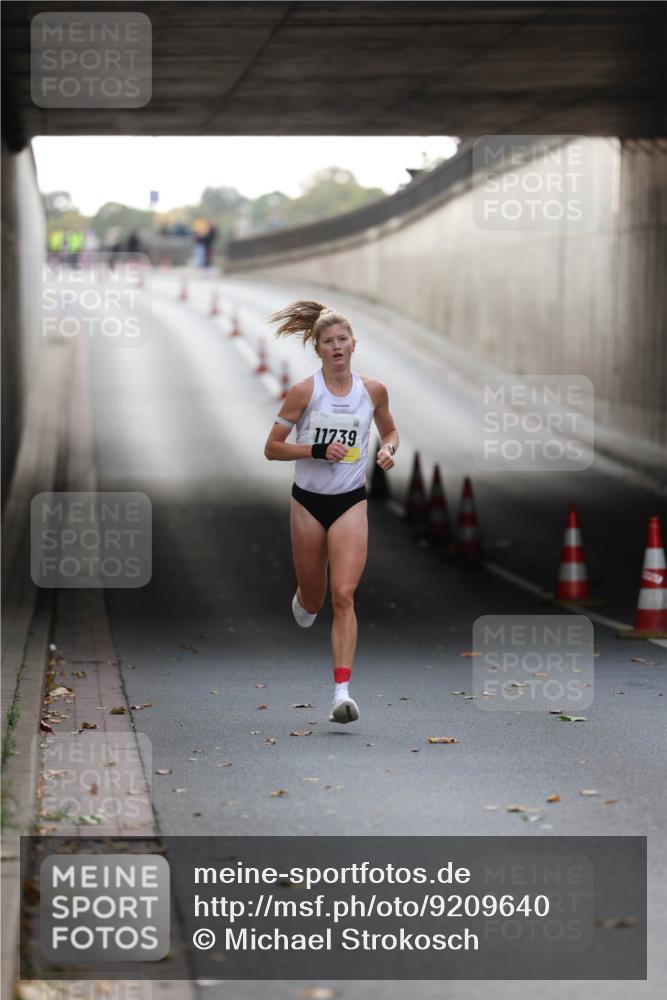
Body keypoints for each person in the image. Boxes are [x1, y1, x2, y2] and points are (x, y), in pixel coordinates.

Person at [264, 301, 399, 724]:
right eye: (328, 341)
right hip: (308, 501)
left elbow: (390, 431)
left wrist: (389, 450)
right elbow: (272, 449)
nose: (336, 347)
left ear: (353, 345)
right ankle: (305, 598)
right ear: (317, 348)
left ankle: (342, 693)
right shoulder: (305, 392)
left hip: (350, 501)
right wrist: (316, 450)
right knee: (315, 598)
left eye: (342, 340)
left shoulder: (373, 391)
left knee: (343, 595)